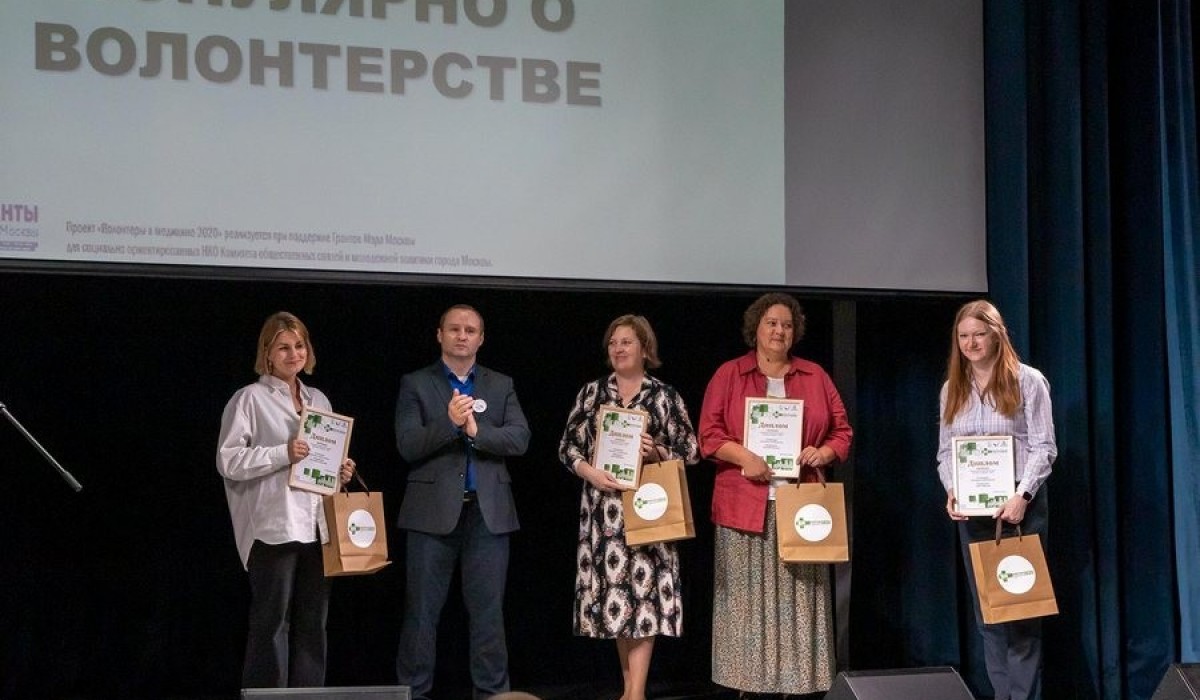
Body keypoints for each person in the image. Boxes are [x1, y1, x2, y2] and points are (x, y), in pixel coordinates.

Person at [698, 292, 853, 697]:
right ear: (756, 328)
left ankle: (796, 685)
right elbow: (708, 435)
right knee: (747, 600)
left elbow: (842, 432)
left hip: (801, 505)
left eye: (787, 324)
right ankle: (749, 686)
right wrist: (744, 457)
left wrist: (823, 453)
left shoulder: (815, 376)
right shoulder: (729, 374)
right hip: (743, 506)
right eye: (771, 323)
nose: (779, 331)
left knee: (800, 599)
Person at [558, 314, 700, 700]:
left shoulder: (664, 396)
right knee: (617, 600)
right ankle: (629, 690)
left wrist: (658, 451)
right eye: (613, 343)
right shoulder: (592, 394)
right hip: (602, 513)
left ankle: (636, 692)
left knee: (645, 597)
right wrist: (590, 472)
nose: (618, 349)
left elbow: (692, 450)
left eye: (626, 342)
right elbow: (567, 447)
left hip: (649, 508)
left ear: (645, 349)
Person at [394, 304, 531, 700]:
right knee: (421, 615)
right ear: (440, 335)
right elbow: (408, 444)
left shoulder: (500, 384)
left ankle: (493, 695)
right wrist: (449, 424)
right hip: (430, 516)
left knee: (488, 617)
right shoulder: (416, 383)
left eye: (470, 330)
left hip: (488, 517)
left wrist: (475, 431)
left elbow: (519, 438)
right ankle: (414, 694)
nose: (462, 335)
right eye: (454, 329)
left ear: (481, 339)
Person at [216, 311, 356, 688]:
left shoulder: (318, 398)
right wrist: (282, 453)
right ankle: (268, 695)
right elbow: (228, 460)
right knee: (271, 623)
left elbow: (322, 460)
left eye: (299, 345)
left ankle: (310, 695)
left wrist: (339, 472)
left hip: (316, 527)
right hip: (274, 527)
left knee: (314, 624)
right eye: (283, 347)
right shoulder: (249, 399)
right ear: (267, 353)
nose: (293, 354)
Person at [937, 300, 1056, 700]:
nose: (971, 343)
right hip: (974, 513)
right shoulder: (951, 389)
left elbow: (1044, 447)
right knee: (989, 615)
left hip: (1020, 510)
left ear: (997, 335)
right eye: (964, 336)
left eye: (979, 334)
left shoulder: (1028, 381)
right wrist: (952, 489)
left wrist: (1023, 494)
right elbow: (945, 452)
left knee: (1021, 614)